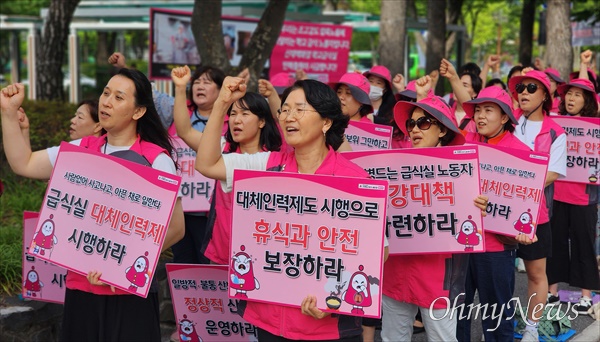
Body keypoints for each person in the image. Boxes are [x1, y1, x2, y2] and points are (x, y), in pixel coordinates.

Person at [196, 76, 388, 341]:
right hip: (270, 322)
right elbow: (206, 165)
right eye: (285, 109)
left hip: (328, 328)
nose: (288, 117)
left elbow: (380, 253)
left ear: (326, 121)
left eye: (300, 109)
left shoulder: (354, 180)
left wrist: (334, 299)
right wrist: (221, 105)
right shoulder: (266, 165)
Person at [0, 69, 185, 341]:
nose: (106, 101)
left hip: (128, 292)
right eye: (106, 93)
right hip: (80, 288)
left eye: (119, 97)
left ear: (138, 112)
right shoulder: (82, 148)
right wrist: (7, 113)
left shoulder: (157, 160)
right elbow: (23, 163)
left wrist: (120, 269)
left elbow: (176, 229)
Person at [380, 75, 488, 342]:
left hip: (438, 275)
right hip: (396, 271)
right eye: (411, 123)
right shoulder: (393, 164)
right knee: (393, 338)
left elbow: (472, 220)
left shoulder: (461, 171)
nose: (415, 129)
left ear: (442, 131)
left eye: (424, 123)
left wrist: (480, 208)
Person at [170, 65, 283, 266]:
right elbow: (185, 132)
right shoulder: (221, 148)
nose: (236, 120)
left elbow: (283, 122)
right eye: (233, 114)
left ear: (262, 122)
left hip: (263, 250)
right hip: (223, 251)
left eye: (245, 114)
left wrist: (273, 95)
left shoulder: (275, 159)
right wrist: (180, 88)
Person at [456, 85, 536, 341]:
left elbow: (530, 210)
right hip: (461, 246)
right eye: (477, 110)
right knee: (457, 313)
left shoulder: (522, 154)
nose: (480, 116)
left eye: (488, 110)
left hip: (497, 250)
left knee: (498, 315)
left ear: (504, 117)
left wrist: (527, 232)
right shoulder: (463, 144)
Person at [508, 69, 567, 342]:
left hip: (537, 212)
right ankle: (498, 327)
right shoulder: (506, 121)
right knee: (499, 272)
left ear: (546, 95)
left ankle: (531, 328)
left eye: (532, 88)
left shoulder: (556, 132)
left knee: (535, 273)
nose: (523, 92)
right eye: (520, 87)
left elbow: (553, 173)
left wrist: (515, 185)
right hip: (499, 211)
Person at [547, 77, 600, 313]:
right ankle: (551, 291)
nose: (571, 98)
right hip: (557, 194)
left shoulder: (597, 126)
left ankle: (586, 294)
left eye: (578, 95)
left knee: (584, 244)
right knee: (554, 243)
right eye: (569, 94)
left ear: (587, 100)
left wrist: (582, 62)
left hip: (584, 197)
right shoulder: (555, 124)